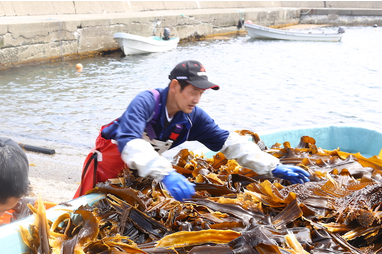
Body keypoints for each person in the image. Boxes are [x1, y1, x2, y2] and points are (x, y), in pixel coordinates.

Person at [75, 60, 310, 199]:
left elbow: (229, 143)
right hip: (109, 161)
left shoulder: (192, 118)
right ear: (175, 86)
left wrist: (273, 166)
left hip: (144, 169)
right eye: (194, 92)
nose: (197, 99)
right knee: (91, 202)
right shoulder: (147, 102)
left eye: (202, 93)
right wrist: (166, 173)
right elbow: (130, 142)